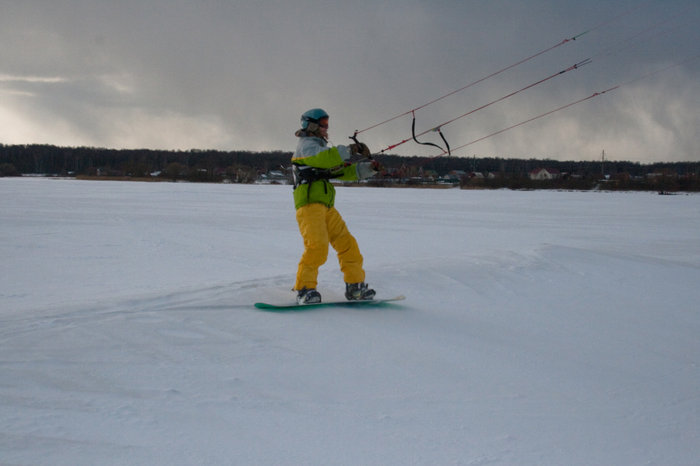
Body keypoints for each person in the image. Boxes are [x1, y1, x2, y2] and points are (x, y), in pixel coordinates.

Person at [291, 108, 380, 304]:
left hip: (326, 206)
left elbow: (340, 171)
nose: (326, 127)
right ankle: (305, 289)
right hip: (309, 206)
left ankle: (355, 287)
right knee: (317, 247)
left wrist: (369, 169)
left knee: (348, 245)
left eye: (327, 123)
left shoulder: (320, 149)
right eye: (323, 123)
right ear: (311, 125)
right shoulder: (306, 146)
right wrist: (351, 150)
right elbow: (328, 158)